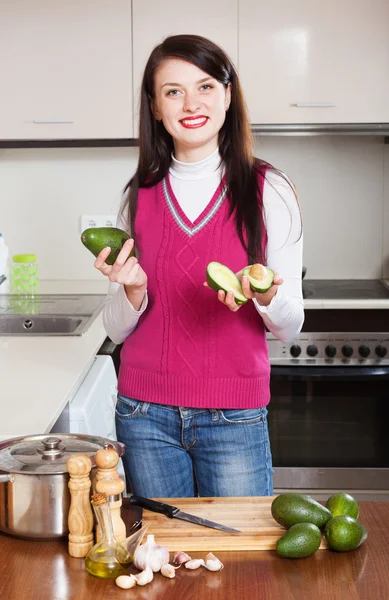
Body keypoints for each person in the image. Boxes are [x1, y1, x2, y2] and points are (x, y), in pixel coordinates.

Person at [94, 34, 304, 498]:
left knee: (238, 563)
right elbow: (116, 328)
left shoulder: (271, 190)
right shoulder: (137, 196)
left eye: (205, 86)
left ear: (228, 95)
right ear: (155, 107)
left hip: (235, 416)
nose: (191, 102)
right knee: (165, 561)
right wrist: (131, 293)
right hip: (144, 415)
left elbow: (291, 327)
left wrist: (266, 296)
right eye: (173, 91)